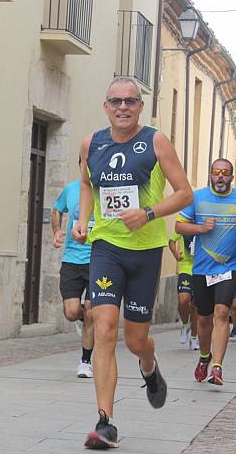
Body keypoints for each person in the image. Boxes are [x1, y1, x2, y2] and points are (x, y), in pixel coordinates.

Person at [72, 76, 192, 449]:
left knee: (136, 338)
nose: (122, 107)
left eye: (130, 101)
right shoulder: (91, 143)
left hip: (145, 252)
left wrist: (150, 212)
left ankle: (150, 367)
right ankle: (105, 422)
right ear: (105, 106)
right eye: (115, 101)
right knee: (104, 327)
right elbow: (88, 184)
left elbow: (184, 193)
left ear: (140, 107)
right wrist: (82, 219)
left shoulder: (155, 141)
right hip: (106, 246)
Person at [176, 159, 236, 386]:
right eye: (216, 172)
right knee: (204, 318)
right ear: (211, 175)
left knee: (222, 312)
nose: (221, 176)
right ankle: (204, 358)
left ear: (232, 177)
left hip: (229, 267)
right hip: (201, 269)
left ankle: (217, 366)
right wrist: (200, 228)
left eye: (225, 173)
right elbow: (179, 226)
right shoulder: (196, 197)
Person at [52, 175, 95, 378]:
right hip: (72, 259)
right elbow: (57, 208)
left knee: (91, 312)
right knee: (71, 312)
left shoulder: (108, 188)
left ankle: (85, 362)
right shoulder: (71, 189)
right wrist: (57, 230)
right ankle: (81, 318)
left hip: (99, 259)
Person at [168, 232, 199, 349]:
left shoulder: (204, 224)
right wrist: (176, 254)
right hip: (185, 267)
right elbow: (171, 241)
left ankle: (194, 337)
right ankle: (185, 324)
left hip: (200, 268)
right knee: (183, 300)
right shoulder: (185, 224)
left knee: (196, 306)